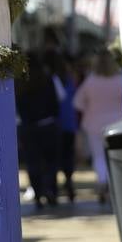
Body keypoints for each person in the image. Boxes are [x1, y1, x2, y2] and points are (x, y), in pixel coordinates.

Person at [73, 51, 122, 204]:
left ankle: (102, 182)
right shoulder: (120, 80)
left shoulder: (90, 81)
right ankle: (112, 184)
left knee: (98, 156)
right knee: (114, 156)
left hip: (94, 124)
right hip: (118, 123)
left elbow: (78, 102)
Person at [16, 51, 61, 208]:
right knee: (51, 161)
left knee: (32, 162)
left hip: (28, 127)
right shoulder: (48, 79)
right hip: (48, 124)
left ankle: (38, 194)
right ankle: (51, 190)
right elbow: (58, 100)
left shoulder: (19, 82)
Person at [46, 49, 79, 203]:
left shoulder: (50, 80)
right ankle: (68, 183)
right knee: (67, 156)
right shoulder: (70, 79)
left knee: (53, 158)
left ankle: (53, 189)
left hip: (56, 124)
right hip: (69, 123)